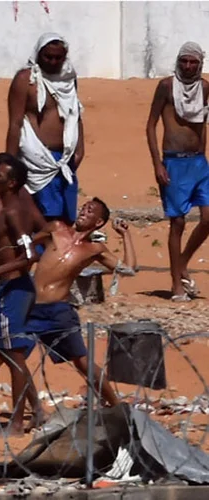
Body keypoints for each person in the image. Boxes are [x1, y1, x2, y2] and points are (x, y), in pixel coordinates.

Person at [23, 198, 136, 408]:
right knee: (14, 358)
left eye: (90, 210)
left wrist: (125, 235)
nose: (84, 210)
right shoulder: (56, 229)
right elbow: (27, 245)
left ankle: (115, 406)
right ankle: (33, 410)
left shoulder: (94, 249)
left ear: (99, 222)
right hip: (31, 307)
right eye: (84, 207)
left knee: (82, 362)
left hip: (58, 311)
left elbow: (129, 268)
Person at [0, 153, 44, 436]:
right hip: (11, 288)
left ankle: (16, 424)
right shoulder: (14, 208)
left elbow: (30, 256)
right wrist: (2, 255)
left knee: (12, 355)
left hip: (14, 289)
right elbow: (33, 239)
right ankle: (35, 410)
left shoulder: (13, 212)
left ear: (12, 183)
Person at [146, 42, 209, 302]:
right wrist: (157, 163)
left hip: (198, 163)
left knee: (208, 218)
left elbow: (203, 123)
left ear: (200, 64)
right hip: (173, 162)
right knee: (178, 222)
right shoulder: (166, 87)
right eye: (184, 61)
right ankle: (176, 284)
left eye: (193, 62)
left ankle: (181, 262)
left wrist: (203, 156)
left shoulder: (205, 88)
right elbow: (150, 126)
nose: (188, 66)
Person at [6, 33, 84, 226]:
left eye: (58, 57)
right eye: (48, 57)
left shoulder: (68, 77)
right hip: (37, 159)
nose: (53, 61)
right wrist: (9, 162)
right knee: (43, 219)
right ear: (39, 54)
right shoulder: (26, 79)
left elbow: (74, 112)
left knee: (65, 219)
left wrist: (80, 149)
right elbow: (15, 123)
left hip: (64, 160)